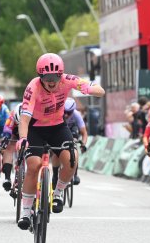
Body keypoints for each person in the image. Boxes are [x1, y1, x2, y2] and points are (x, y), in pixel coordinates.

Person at [16, 53, 105, 230]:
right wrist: (23, 139)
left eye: (55, 77)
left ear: (61, 75)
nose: (51, 81)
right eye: (46, 77)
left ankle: (58, 193)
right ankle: (26, 211)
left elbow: (96, 89)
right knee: (33, 165)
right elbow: (24, 119)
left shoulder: (67, 80)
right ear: (40, 76)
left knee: (72, 160)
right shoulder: (33, 87)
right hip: (35, 128)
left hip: (57, 126)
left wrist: (92, 89)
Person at [52, 97, 88, 187]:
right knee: (56, 152)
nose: (67, 115)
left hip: (72, 131)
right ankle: (55, 175)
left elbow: (84, 133)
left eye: (69, 112)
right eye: (65, 112)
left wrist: (83, 144)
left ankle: (75, 174)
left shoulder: (77, 115)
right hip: (59, 130)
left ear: (73, 110)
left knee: (74, 145)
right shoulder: (56, 114)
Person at [0, 103, 22, 191]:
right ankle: (7, 178)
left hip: (30, 131)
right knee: (8, 148)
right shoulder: (12, 116)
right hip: (14, 132)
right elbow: (7, 129)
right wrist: (5, 141)